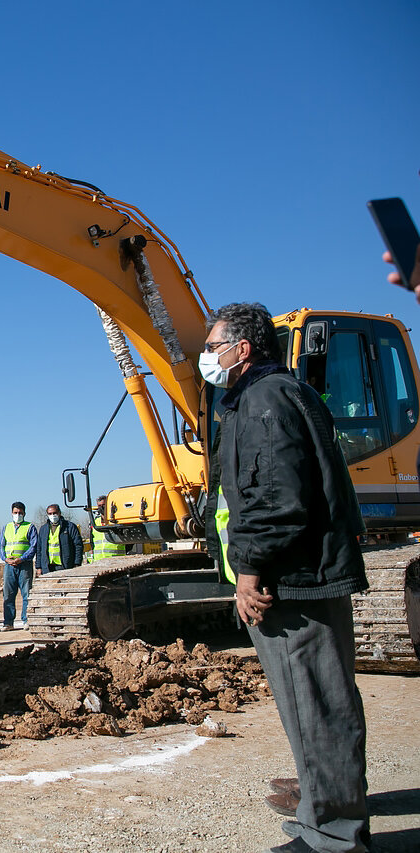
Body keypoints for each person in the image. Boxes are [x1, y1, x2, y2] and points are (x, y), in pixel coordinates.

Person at [202, 302, 370, 853]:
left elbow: (274, 498)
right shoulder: (288, 393)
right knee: (315, 704)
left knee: (316, 705)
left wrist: (247, 570)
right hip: (302, 573)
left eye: (212, 346)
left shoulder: (263, 400)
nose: (207, 357)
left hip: (290, 581)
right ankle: (321, 812)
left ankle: (332, 837)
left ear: (242, 349)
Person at [0, 501, 37, 630]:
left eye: (20, 513)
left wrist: (22, 558)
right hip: (9, 566)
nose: (17, 515)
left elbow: (33, 546)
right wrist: (5, 559)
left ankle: (26, 620)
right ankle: (8, 622)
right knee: (8, 595)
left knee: (26, 593)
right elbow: (1, 545)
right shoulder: (6, 527)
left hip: (24, 565)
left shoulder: (30, 527)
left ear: (24, 513)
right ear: (11, 513)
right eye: (15, 512)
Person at [36, 504, 84, 576]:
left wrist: (77, 563)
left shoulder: (69, 527)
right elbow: (39, 549)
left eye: (54, 513)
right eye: (50, 514)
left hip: (64, 566)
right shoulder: (43, 529)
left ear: (59, 513)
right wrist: (39, 567)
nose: (52, 515)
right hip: (48, 567)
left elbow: (78, 546)